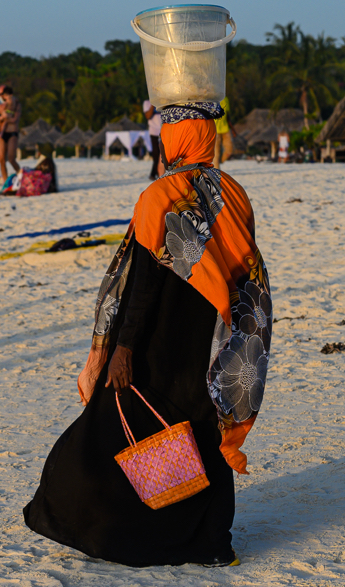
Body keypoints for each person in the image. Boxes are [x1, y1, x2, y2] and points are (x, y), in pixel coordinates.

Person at [24, 102, 272, 567]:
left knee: (121, 433)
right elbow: (245, 272)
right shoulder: (233, 193)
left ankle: (124, 531)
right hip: (213, 337)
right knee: (203, 431)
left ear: (177, 141)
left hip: (161, 339)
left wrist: (123, 347)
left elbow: (143, 281)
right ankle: (215, 544)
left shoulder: (161, 195)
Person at [0, 84, 22, 185]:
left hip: (12, 133)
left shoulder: (17, 105)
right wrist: (2, 117)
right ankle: (5, 181)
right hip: (1, 134)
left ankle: (21, 176)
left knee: (11, 158)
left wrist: (7, 116)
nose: (2, 97)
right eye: (1, 95)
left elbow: (14, 119)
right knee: (1, 159)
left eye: (3, 94)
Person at [211, 96, 233, 168]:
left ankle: (221, 161)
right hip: (215, 128)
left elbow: (228, 114)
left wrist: (232, 128)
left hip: (225, 128)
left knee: (229, 149)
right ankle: (217, 170)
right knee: (216, 153)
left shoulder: (225, 98)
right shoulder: (211, 99)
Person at [143, 101, 163, 180]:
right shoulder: (147, 103)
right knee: (156, 154)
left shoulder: (161, 101)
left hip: (163, 130)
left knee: (163, 155)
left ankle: (156, 174)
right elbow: (148, 116)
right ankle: (154, 174)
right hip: (154, 132)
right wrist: (153, 103)